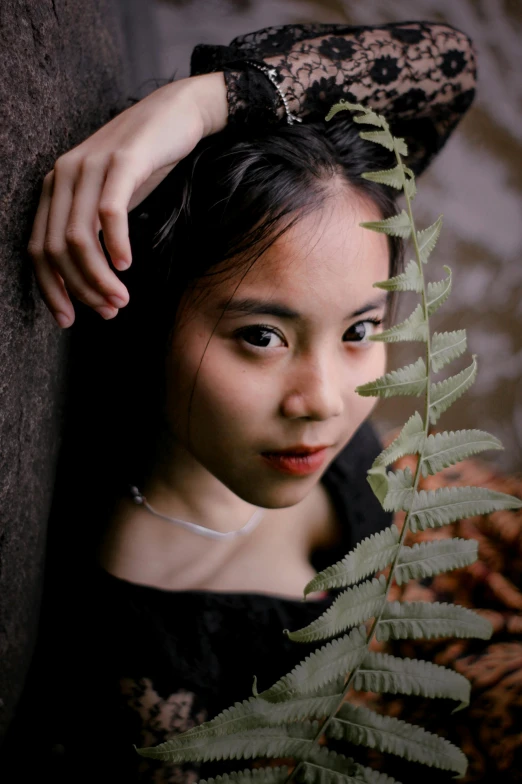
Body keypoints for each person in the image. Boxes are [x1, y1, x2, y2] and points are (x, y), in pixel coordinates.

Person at [9, 21, 476, 784]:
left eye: (361, 328)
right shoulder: (154, 648)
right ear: (143, 314)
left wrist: (201, 105)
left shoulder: (276, 435)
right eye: (262, 337)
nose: (325, 400)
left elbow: (447, 63)